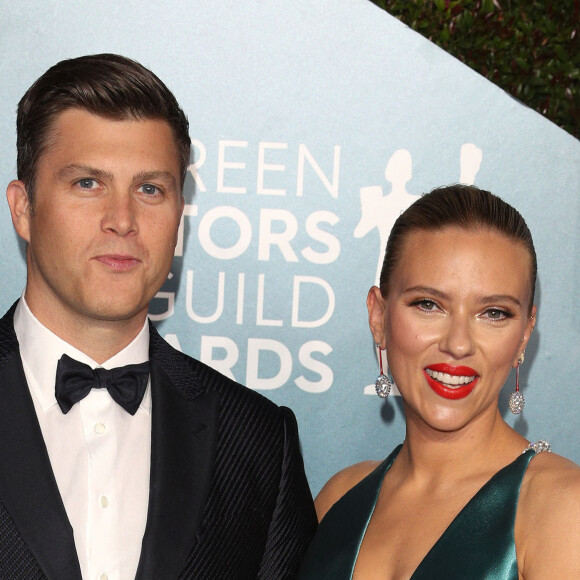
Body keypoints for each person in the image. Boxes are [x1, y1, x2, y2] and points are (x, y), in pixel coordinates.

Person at [1, 53, 317, 580]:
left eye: (150, 189)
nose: (122, 220)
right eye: (87, 183)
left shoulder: (259, 442)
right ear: (23, 208)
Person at [297, 185, 580, 579]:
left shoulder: (563, 508)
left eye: (494, 313)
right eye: (428, 304)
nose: (458, 343)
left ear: (525, 335)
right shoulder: (338, 497)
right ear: (378, 317)